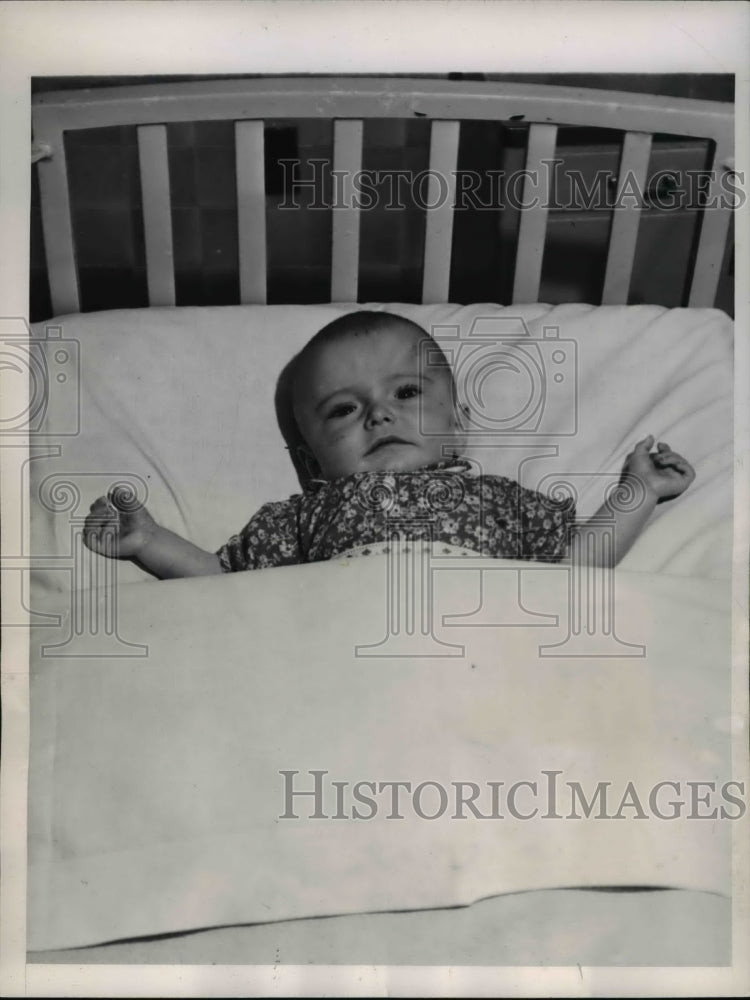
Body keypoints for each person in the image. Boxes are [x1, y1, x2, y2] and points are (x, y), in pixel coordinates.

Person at [83, 312, 695, 579]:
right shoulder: (301, 517)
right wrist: (149, 542)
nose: (379, 413)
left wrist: (639, 490)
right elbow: (223, 583)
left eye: (406, 392)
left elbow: (578, 566)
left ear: (456, 424)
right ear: (311, 459)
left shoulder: (503, 499)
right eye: (344, 409)